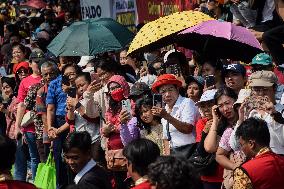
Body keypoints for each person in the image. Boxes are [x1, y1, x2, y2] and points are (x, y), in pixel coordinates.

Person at [47, 63, 81, 188]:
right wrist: (50, 128)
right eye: (66, 75)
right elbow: (50, 108)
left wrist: (72, 90)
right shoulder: (55, 84)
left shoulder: (82, 84)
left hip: (78, 122)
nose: (70, 77)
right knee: (59, 158)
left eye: (72, 73)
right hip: (59, 121)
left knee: (76, 156)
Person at [151, 74, 199, 158]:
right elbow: (166, 138)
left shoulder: (187, 103)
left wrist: (166, 116)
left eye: (170, 89)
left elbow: (188, 129)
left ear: (177, 89)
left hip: (190, 152)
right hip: (175, 155)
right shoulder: (164, 109)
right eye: (163, 92)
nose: (167, 94)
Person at [13, 49, 43, 181]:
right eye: (36, 61)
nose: (38, 64)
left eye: (41, 61)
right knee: (35, 158)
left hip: (47, 124)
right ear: (30, 64)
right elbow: (21, 105)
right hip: (30, 126)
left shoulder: (48, 76)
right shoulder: (25, 82)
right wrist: (17, 126)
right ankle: (35, 184)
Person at [233, 118, 284, 189]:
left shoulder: (244, 170)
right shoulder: (281, 159)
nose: (241, 149)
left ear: (251, 144)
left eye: (241, 145)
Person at [204, 87, 238, 189]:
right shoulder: (222, 126)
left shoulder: (247, 119)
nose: (225, 108)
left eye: (227, 103)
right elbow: (209, 147)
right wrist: (215, 119)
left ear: (236, 100)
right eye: (220, 106)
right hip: (231, 176)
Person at [102, 74, 131, 189]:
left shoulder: (128, 103)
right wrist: (106, 130)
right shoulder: (110, 108)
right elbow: (104, 129)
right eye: (111, 88)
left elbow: (129, 124)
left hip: (126, 149)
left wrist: (113, 128)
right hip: (113, 152)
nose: (114, 90)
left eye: (116, 87)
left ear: (123, 86)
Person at [66, 72, 101, 163]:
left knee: (95, 166)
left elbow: (93, 117)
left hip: (94, 139)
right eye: (78, 87)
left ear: (90, 83)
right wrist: (70, 109)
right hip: (81, 142)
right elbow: (70, 121)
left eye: (82, 85)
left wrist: (77, 105)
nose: (80, 88)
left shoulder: (96, 97)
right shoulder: (79, 100)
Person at [194, 89, 224, 189]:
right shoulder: (201, 123)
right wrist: (204, 133)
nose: (206, 109)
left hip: (226, 174)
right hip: (208, 175)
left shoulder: (226, 121)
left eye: (210, 104)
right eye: (203, 106)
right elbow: (201, 151)